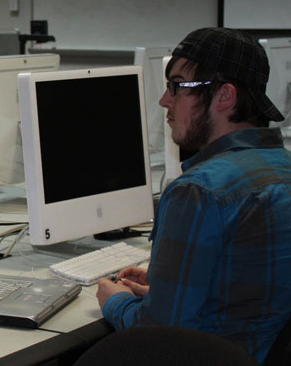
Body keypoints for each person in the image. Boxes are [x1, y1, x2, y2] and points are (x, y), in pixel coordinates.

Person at [96, 27, 291, 365]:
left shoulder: (198, 191)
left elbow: (159, 336)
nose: (164, 100)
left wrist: (115, 300)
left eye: (177, 86)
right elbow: (244, 293)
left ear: (224, 97)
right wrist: (165, 290)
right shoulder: (283, 167)